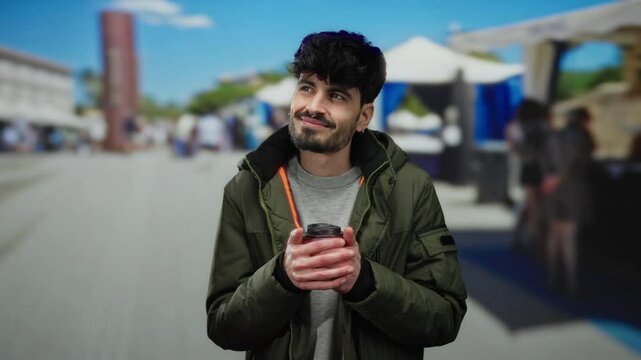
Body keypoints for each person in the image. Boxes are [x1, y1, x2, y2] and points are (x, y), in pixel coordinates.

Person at [205, 30, 467, 360]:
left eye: (337, 96)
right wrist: (282, 278)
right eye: (307, 87)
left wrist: (365, 281)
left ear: (364, 117)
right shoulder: (246, 189)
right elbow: (223, 325)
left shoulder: (410, 188)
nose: (313, 106)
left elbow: (445, 318)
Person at [544, 107, 595, 296]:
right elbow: (579, 162)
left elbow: (546, 163)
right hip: (572, 190)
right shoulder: (581, 139)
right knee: (569, 237)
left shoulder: (554, 137)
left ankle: (552, 275)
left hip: (552, 190)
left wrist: (551, 179)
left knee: (554, 233)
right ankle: (572, 281)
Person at [506, 99, 550, 256]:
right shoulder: (543, 126)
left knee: (530, 206)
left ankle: (525, 239)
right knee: (537, 208)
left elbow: (513, 149)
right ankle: (537, 243)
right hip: (542, 168)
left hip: (527, 168)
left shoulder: (517, 127)